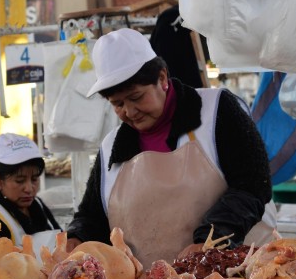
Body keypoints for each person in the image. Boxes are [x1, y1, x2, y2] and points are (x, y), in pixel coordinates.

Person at [66, 29, 274, 266]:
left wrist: (210, 241)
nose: (130, 112)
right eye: (118, 104)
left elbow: (253, 184)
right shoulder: (111, 147)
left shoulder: (216, 110)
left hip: (238, 277)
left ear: (162, 79)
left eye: (136, 97)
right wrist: (77, 235)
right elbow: (93, 216)